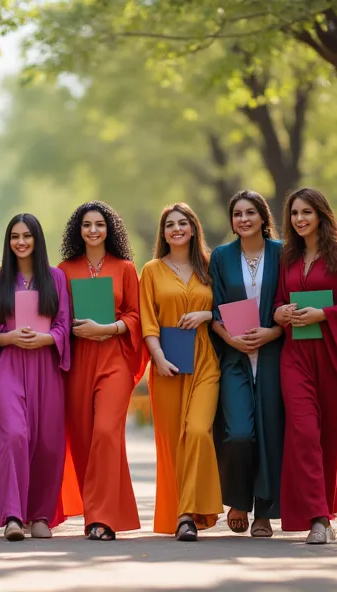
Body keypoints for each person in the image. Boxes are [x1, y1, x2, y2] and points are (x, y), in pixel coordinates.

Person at [273, 187, 337, 544]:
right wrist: (280, 312)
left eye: (306, 212)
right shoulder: (288, 257)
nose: (299, 220)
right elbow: (278, 302)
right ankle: (317, 518)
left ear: (321, 215)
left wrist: (324, 314)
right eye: (294, 214)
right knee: (302, 432)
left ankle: (326, 515)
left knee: (329, 438)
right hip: (296, 356)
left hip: (332, 355)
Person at [56, 201, 144, 541]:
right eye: (87, 225)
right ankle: (96, 514)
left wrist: (110, 328)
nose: (93, 230)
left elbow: (136, 316)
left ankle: (102, 518)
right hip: (78, 362)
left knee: (106, 432)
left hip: (114, 359)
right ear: (78, 231)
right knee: (83, 439)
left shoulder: (124, 268)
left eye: (100, 224)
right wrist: (71, 330)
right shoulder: (64, 270)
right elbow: (56, 317)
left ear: (110, 229)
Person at [0, 213, 71, 542]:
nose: (20, 242)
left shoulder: (55, 278)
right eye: (14, 237)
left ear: (37, 240)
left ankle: (41, 515)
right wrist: (7, 338)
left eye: (27, 236)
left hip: (46, 366)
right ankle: (13, 516)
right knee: (15, 435)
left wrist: (47, 339)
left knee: (47, 443)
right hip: (9, 366)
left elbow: (64, 323)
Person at [139, 203, 222, 541]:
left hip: (204, 361)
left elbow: (227, 307)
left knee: (199, 432)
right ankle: (183, 516)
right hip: (167, 365)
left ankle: (190, 511)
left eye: (182, 223)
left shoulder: (210, 266)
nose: (176, 228)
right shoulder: (152, 270)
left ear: (193, 228)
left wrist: (206, 315)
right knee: (175, 441)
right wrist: (157, 357)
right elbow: (147, 319)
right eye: (170, 224)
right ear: (163, 233)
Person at [209, 190, 285, 538]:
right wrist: (231, 339)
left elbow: (291, 297)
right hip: (235, 356)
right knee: (238, 432)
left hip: (272, 354)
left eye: (250, 212)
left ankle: (263, 513)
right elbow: (215, 309)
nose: (243, 219)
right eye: (237, 214)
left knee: (270, 433)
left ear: (262, 217)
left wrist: (272, 333)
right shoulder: (222, 257)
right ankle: (238, 500)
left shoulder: (282, 252)